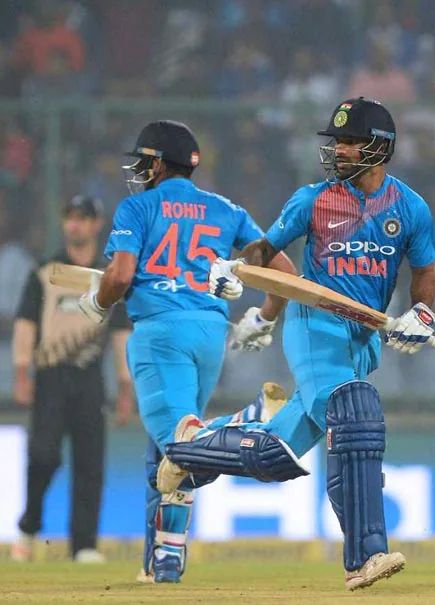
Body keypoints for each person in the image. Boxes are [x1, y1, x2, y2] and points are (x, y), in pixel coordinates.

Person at [158, 97, 435, 591]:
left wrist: (422, 313)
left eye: (350, 142)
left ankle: (193, 447)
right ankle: (366, 555)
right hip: (315, 324)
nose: (339, 151)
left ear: (380, 148)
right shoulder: (312, 200)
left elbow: (425, 274)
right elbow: (264, 250)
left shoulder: (411, 208)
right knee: (355, 413)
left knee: (275, 456)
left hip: (363, 339)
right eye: (336, 142)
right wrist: (234, 268)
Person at [76, 120, 295, 583]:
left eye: (144, 161)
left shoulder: (138, 207)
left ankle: (246, 419)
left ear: (159, 164)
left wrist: (98, 303)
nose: (139, 170)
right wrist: (264, 318)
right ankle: (162, 561)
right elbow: (284, 270)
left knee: (183, 444)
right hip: (209, 333)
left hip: (160, 332)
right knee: (166, 455)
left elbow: (120, 276)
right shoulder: (225, 209)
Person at [11, 195, 133, 563]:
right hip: (50, 375)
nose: (74, 224)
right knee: (43, 455)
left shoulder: (111, 277)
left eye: (82, 218)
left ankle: (84, 545)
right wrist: (22, 371)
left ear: (96, 224)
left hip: (89, 377)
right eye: (69, 217)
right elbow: (26, 323)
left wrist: (125, 385)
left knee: (90, 462)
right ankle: (29, 528)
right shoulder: (45, 272)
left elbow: (120, 334)